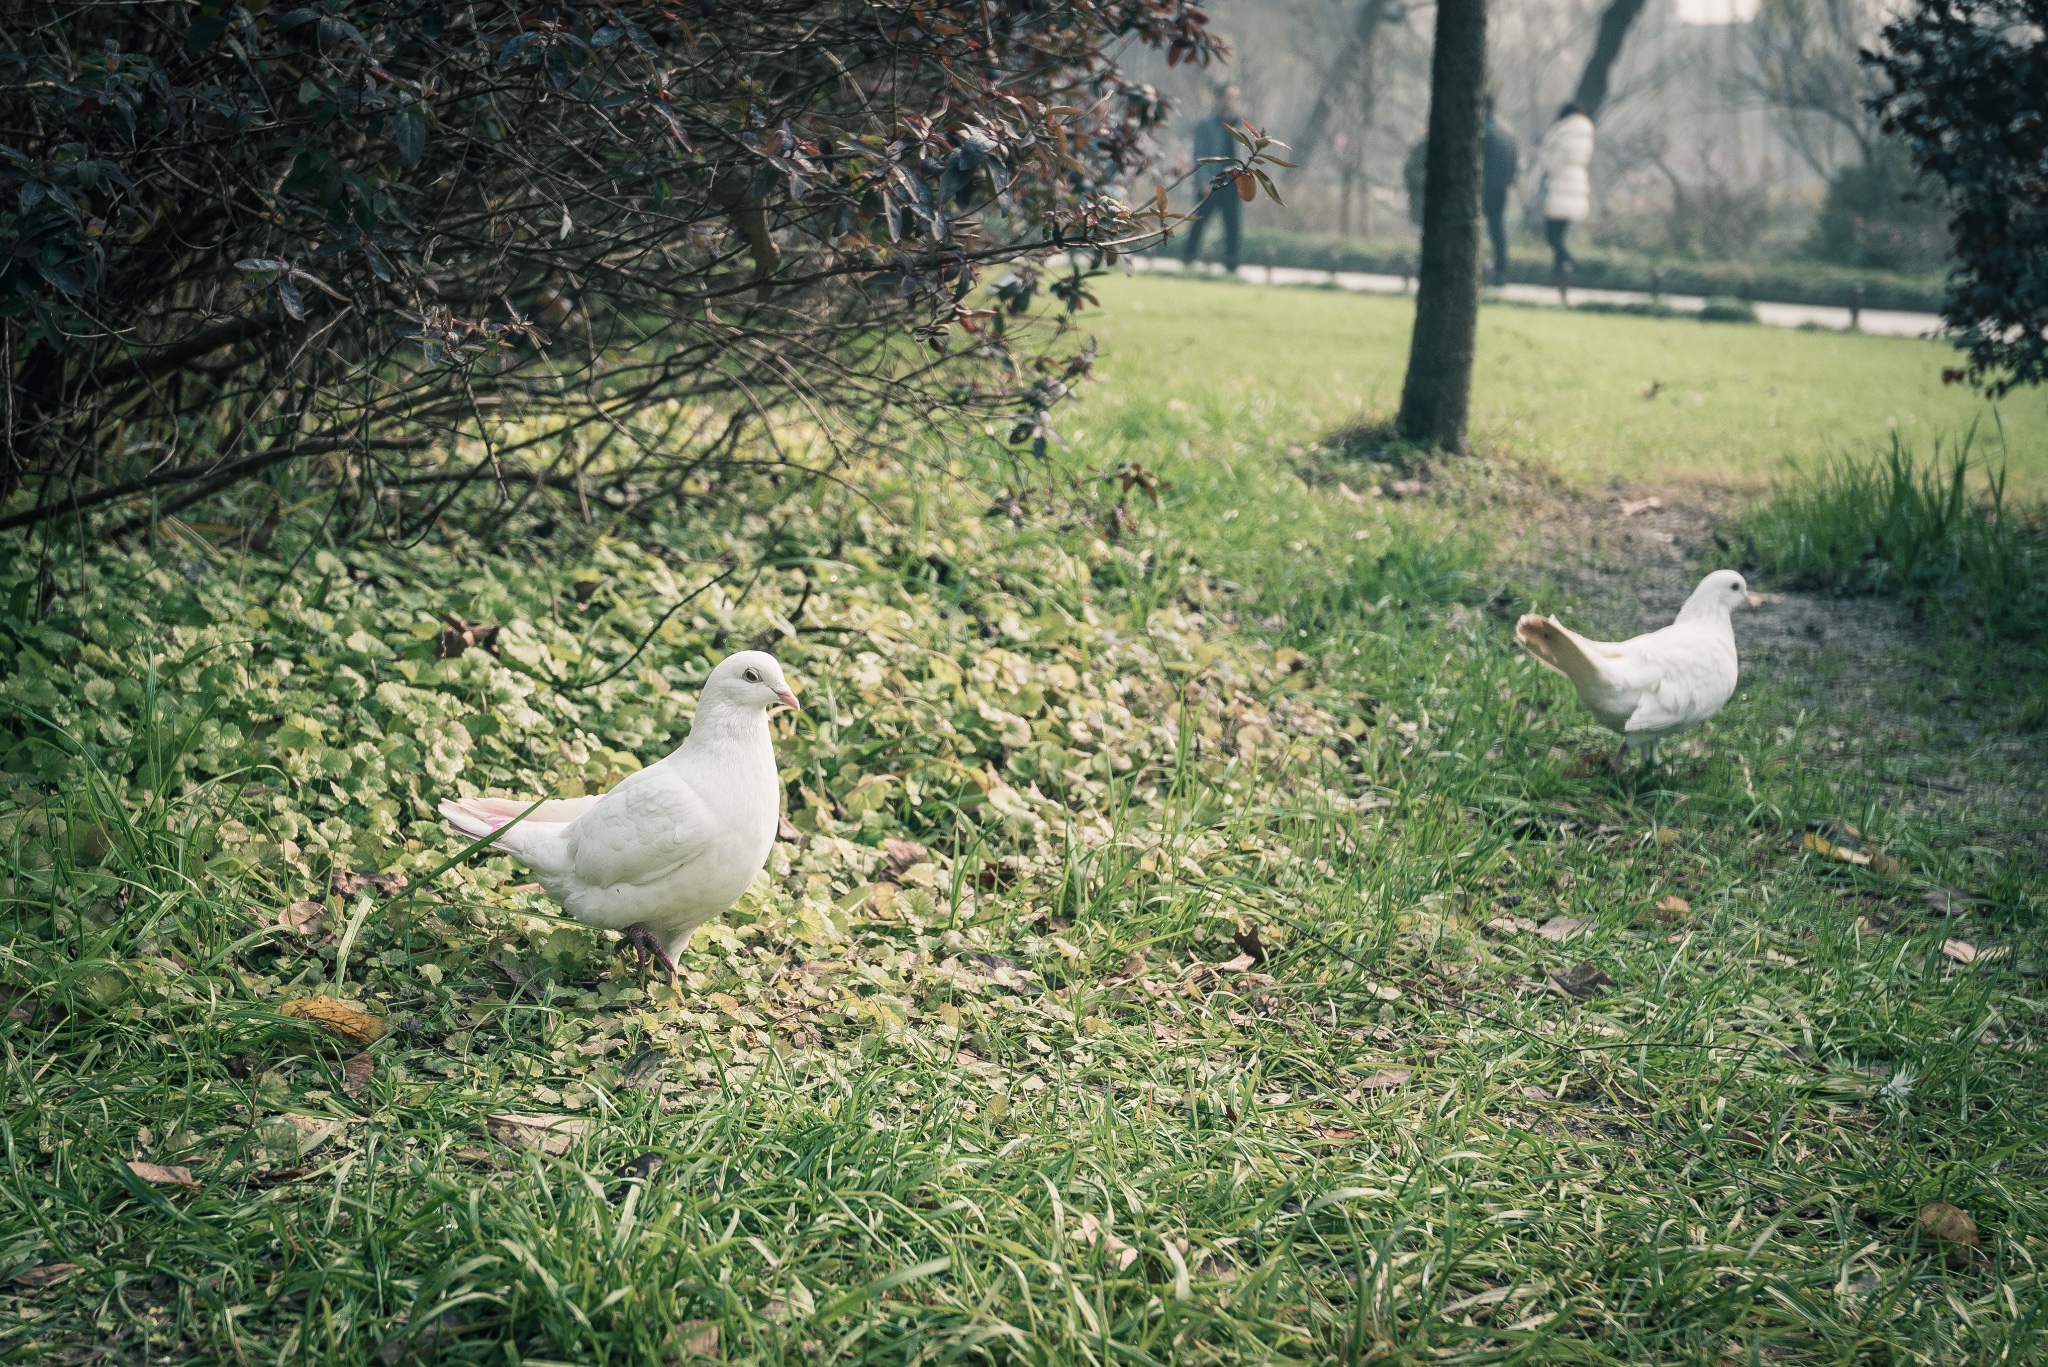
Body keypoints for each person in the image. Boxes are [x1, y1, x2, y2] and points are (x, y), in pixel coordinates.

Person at [1184, 84, 1249, 274]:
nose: (1232, 101)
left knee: (1233, 227)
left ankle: (1232, 267)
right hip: (1211, 183)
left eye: (1236, 97)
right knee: (1199, 223)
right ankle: (1187, 260)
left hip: (1233, 183)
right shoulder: (1206, 125)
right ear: (1219, 99)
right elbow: (1199, 154)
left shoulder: (1240, 126)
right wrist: (1203, 180)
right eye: (1229, 97)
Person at [1536, 102, 1595, 277]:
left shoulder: (1565, 133)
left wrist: (1544, 156)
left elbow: (1553, 163)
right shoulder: (1584, 133)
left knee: (1551, 234)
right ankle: (1558, 272)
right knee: (1558, 234)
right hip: (1576, 187)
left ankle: (1571, 264)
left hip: (1562, 187)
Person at [1482, 96, 1519, 286]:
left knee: (1475, 228)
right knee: (1497, 230)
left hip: (1483, 186)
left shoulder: (1483, 131)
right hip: (1501, 188)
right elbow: (1514, 163)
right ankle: (1501, 271)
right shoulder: (1507, 132)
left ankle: (1478, 269)